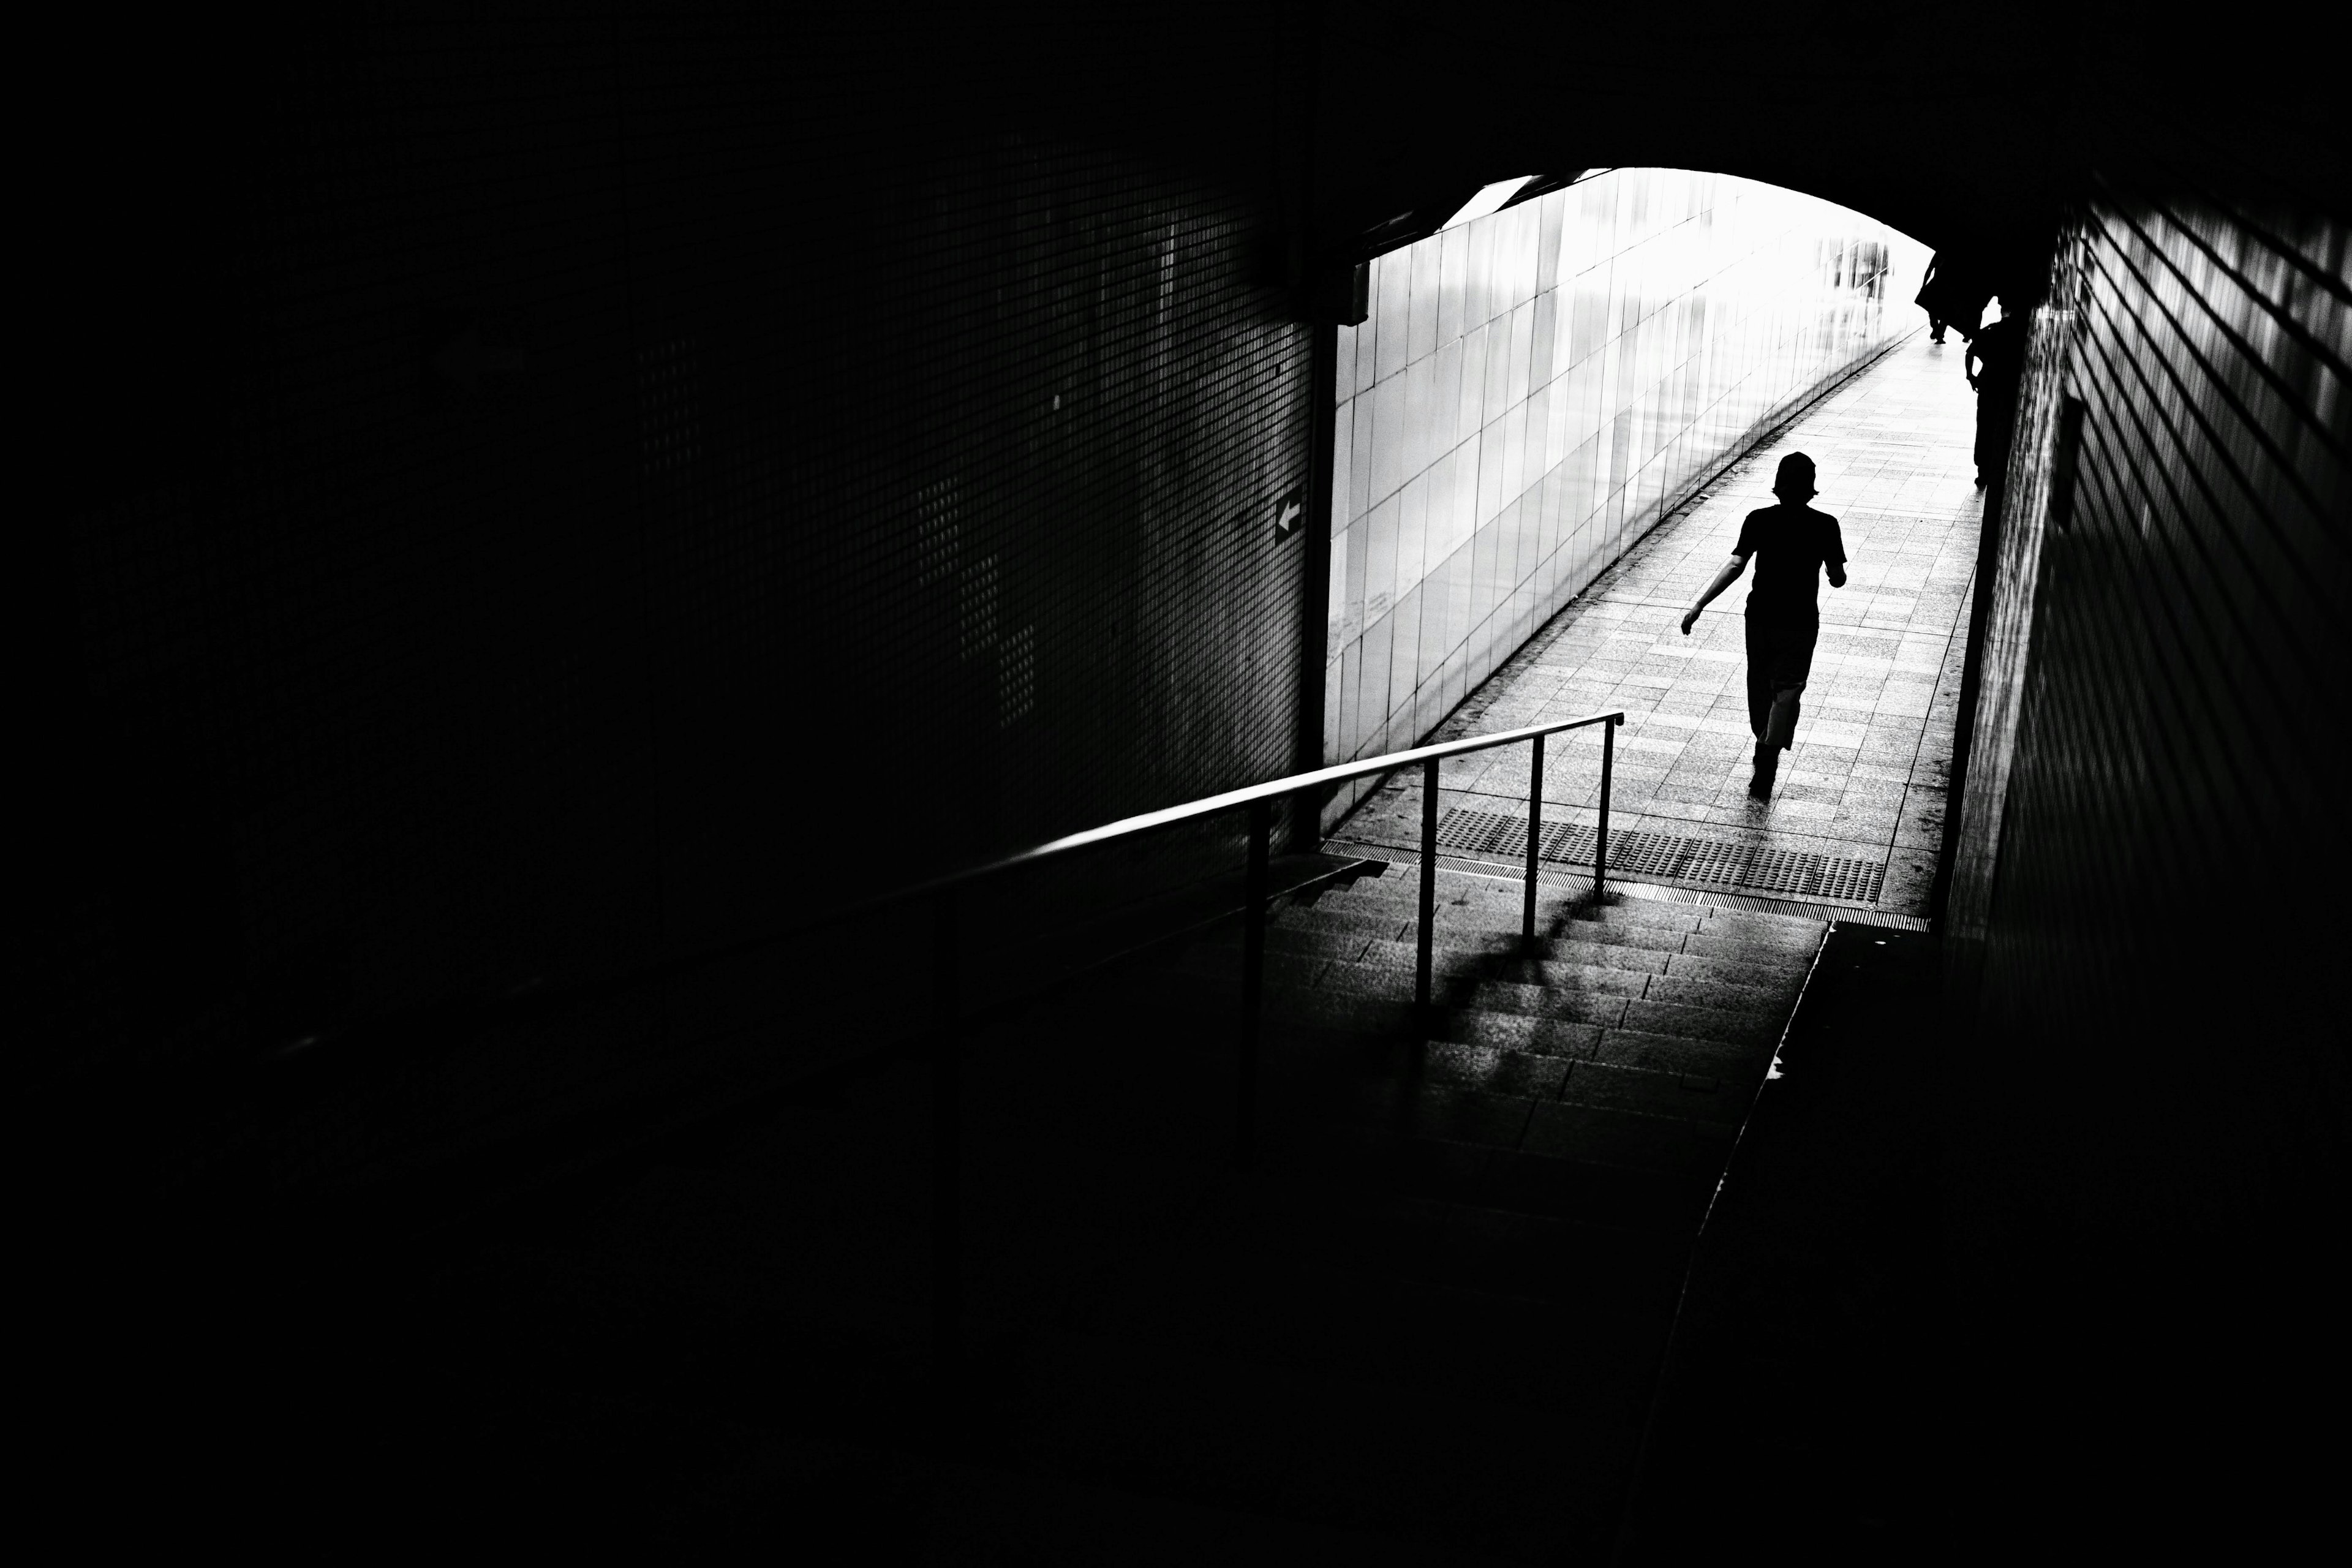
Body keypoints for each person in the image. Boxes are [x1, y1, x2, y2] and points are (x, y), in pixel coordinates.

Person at [1679, 453, 1847, 801]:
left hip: (1760, 619)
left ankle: (1763, 742)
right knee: (1788, 690)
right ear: (1810, 488)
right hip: (1800, 622)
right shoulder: (1826, 525)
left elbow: (1736, 565)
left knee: (1759, 686)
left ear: (1779, 486)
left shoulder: (1758, 519)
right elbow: (1837, 578)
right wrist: (1834, 573)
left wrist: (1699, 605)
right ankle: (1769, 751)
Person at [1966, 293, 2030, 488]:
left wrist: (1971, 376)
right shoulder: (2021, 334)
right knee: (2006, 426)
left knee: (1985, 426)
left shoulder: (1991, 331)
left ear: (2002, 311)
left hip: (1988, 384)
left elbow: (1970, 353)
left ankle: (1982, 470)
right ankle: (2001, 468)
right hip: (2009, 386)